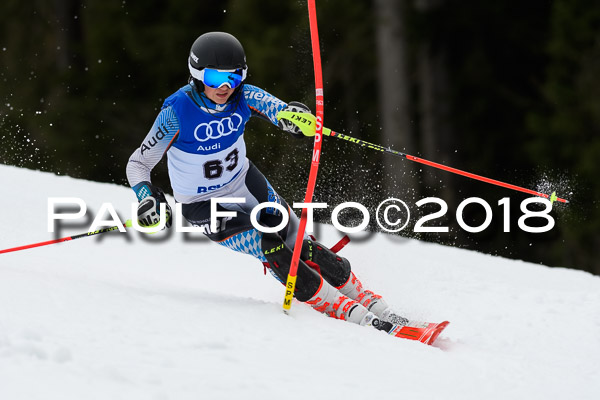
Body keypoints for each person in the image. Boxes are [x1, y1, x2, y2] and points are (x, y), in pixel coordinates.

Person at [126, 31, 408, 332]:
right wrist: (147, 197)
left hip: (244, 182)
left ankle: (371, 303)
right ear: (197, 75)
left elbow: (280, 111)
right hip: (201, 203)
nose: (224, 87)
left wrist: (297, 119)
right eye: (213, 78)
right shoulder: (176, 113)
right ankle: (348, 313)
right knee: (269, 243)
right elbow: (138, 163)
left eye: (233, 79)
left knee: (299, 242)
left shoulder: (245, 97)